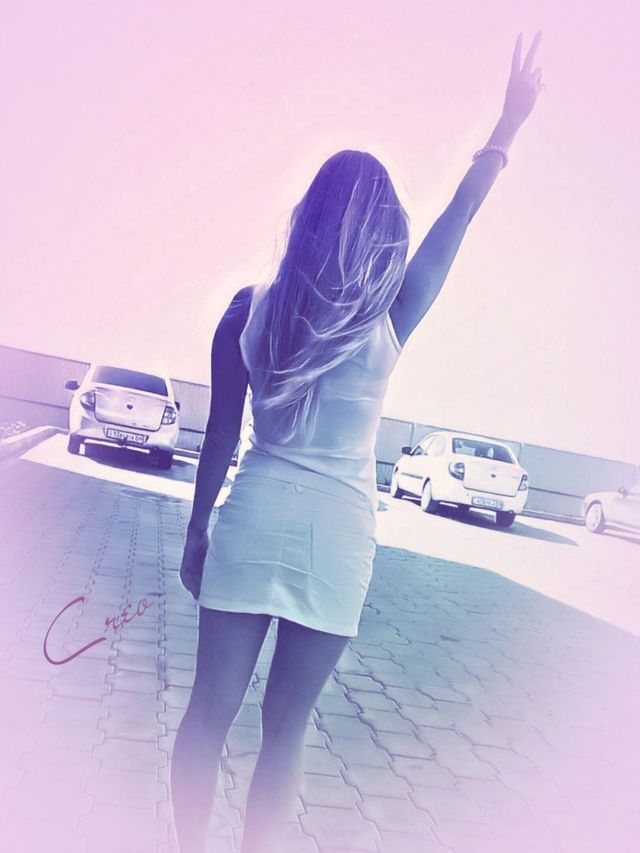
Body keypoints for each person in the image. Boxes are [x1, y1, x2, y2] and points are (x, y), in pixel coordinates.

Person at [171, 31, 544, 853]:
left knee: (206, 714)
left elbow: (219, 438)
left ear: (307, 219)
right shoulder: (390, 316)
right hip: (336, 541)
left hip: (252, 522)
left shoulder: (245, 310)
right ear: (379, 231)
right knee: (284, 733)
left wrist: (196, 532)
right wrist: (508, 126)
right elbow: (461, 212)